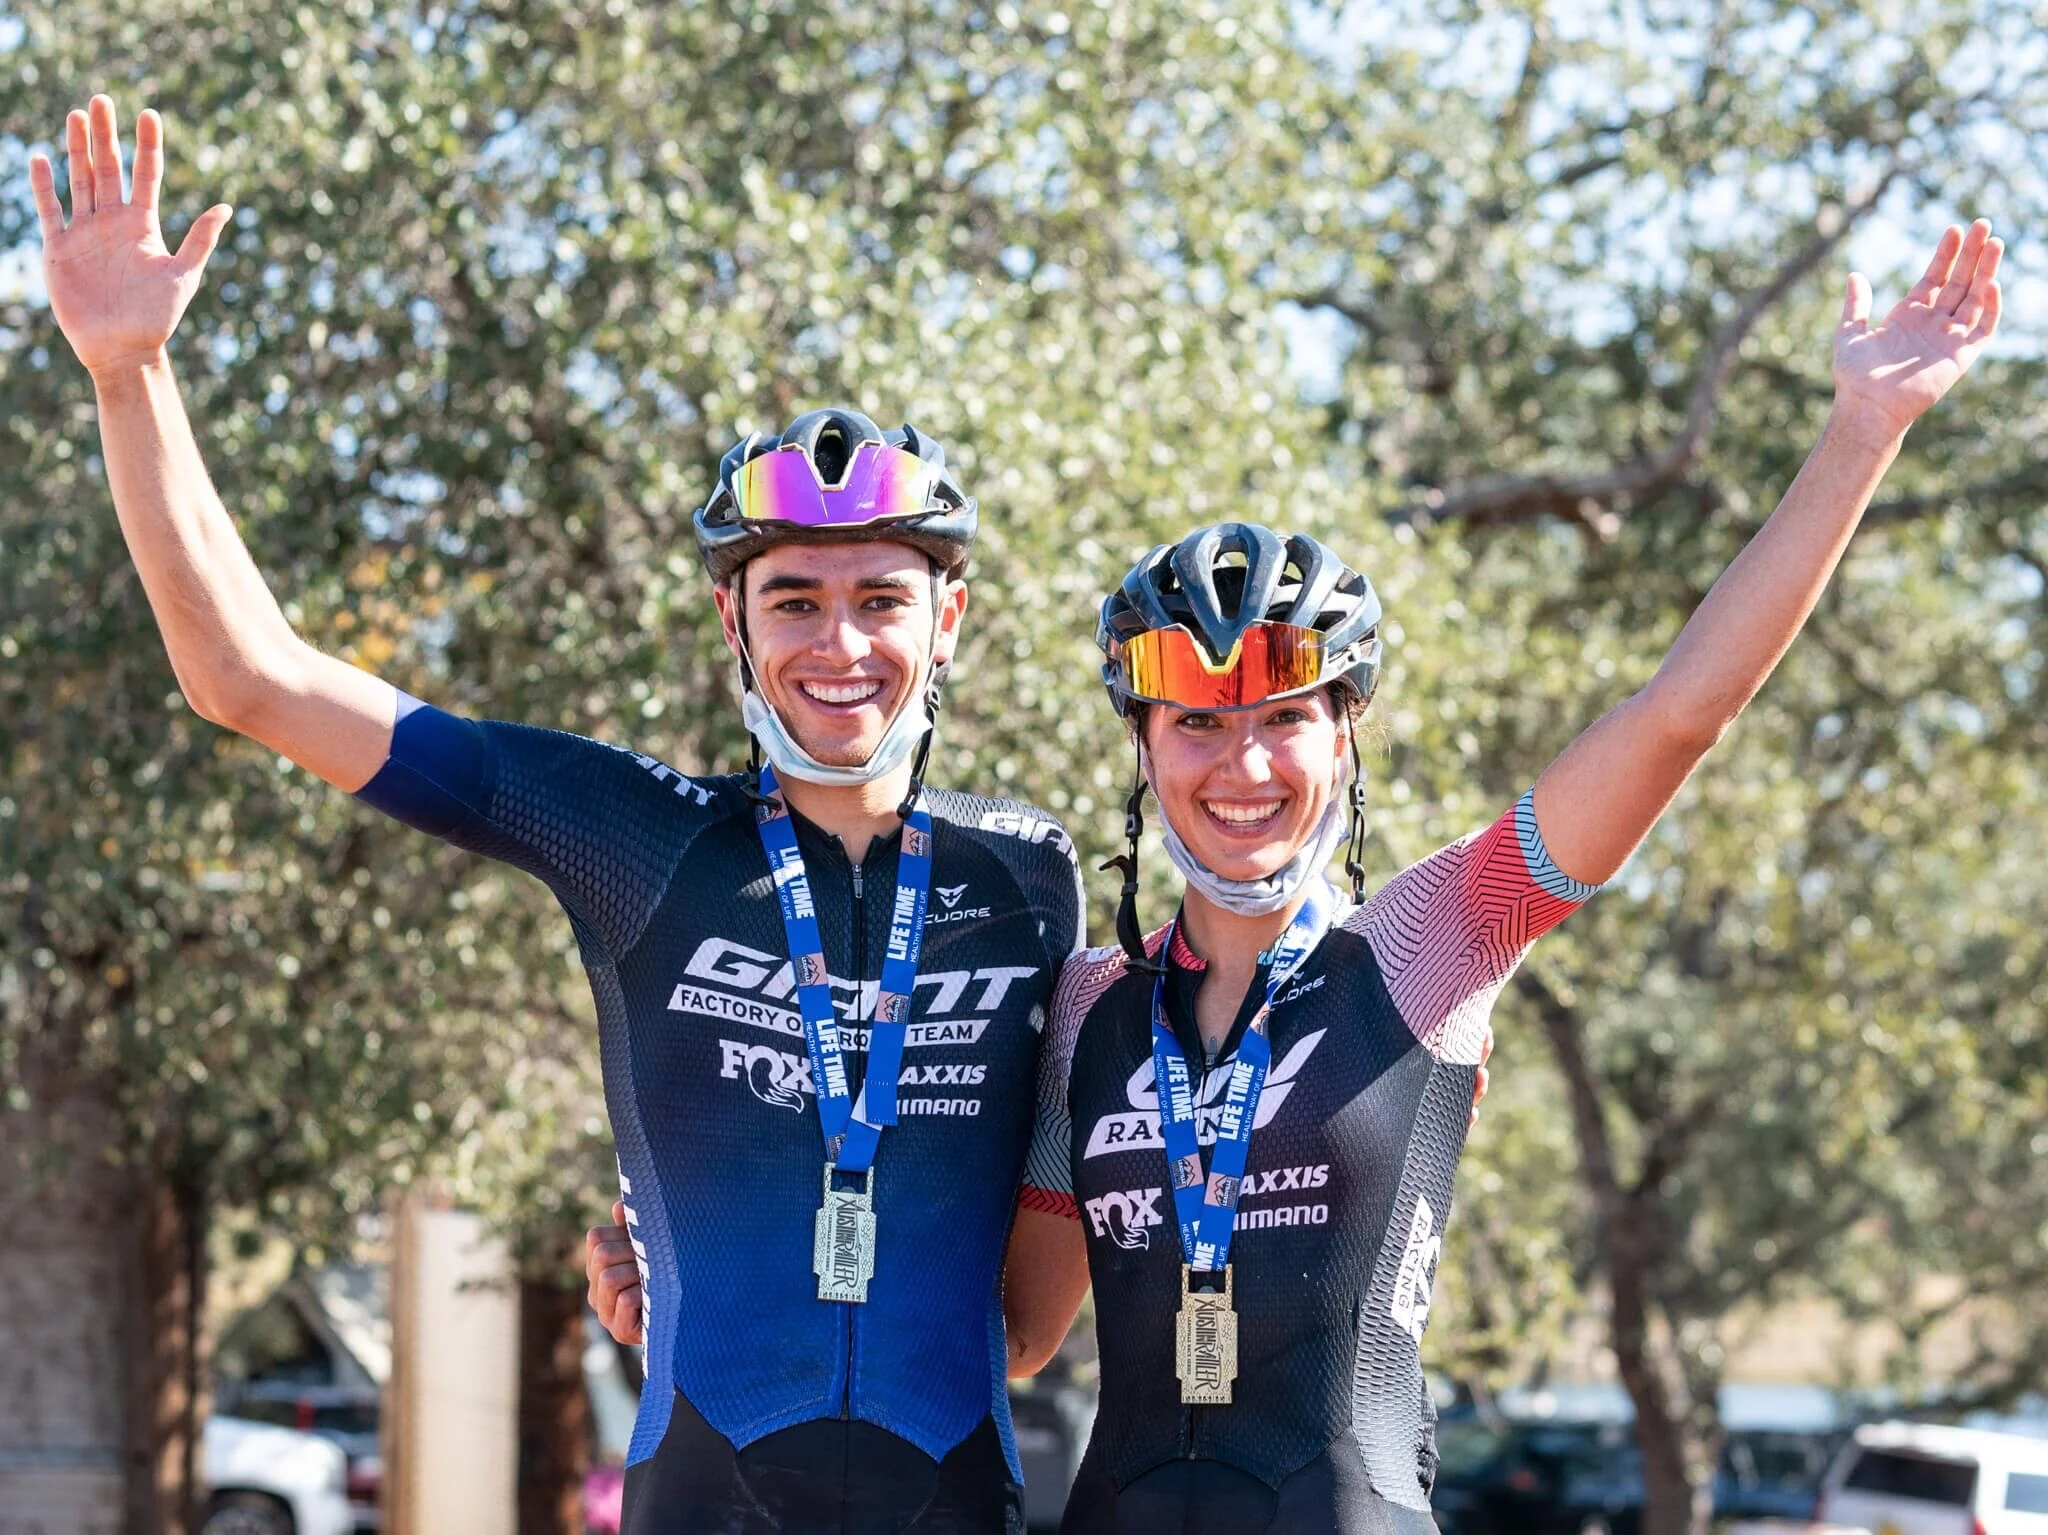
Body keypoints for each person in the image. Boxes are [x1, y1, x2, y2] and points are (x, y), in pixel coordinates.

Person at [31, 97, 1084, 1534]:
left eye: (880, 597)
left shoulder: (1034, 881)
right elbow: (250, 678)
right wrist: (129, 374)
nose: (839, 641)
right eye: (795, 597)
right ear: (734, 615)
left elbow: (1023, 1324)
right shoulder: (635, 836)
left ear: (946, 616)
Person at [992, 219, 2003, 1534]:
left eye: (1284, 716)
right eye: (1198, 720)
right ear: (1144, 742)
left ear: (1343, 732)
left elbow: (1676, 714)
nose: (1241, 761)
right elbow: (1014, 1333)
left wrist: (1865, 424)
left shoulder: (1435, 934)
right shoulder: (1087, 1008)